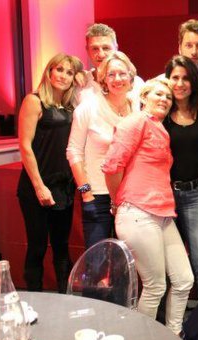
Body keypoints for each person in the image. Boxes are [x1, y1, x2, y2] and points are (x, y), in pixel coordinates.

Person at [101, 78, 194, 335]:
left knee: (184, 279)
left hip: (162, 213)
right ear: (143, 97)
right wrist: (117, 201)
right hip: (138, 212)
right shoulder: (136, 122)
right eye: (158, 94)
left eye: (168, 97)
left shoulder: (159, 128)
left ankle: (173, 336)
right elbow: (112, 166)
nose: (164, 99)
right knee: (155, 286)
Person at [17, 53, 83, 293]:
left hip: (63, 187)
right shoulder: (34, 101)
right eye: (59, 69)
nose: (64, 76)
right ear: (49, 72)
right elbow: (25, 146)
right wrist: (39, 186)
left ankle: (65, 297)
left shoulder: (70, 107)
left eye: (69, 72)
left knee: (61, 246)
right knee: (37, 246)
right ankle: (34, 299)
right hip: (37, 186)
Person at [67, 51, 139, 248]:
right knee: (97, 258)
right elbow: (73, 151)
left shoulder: (136, 108)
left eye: (122, 73)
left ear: (130, 76)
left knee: (129, 257)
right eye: (111, 74)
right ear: (103, 79)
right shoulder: (88, 108)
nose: (117, 79)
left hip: (130, 196)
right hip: (97, 195)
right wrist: (86, 193)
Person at [163, 55, 198, 300]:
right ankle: (164, 318)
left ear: (194, 81)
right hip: (165, 197)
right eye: (175, 77)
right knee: (166, 266)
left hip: (196, 195)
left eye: (186, 78)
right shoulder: (160, 113)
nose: (180, 83)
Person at [77, 23, 144, 103]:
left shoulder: (136, 84)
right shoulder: (80, 85)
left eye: (106, 48)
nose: (101, 54)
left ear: (116, 48)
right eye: (95, 49)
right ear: (87, 50)